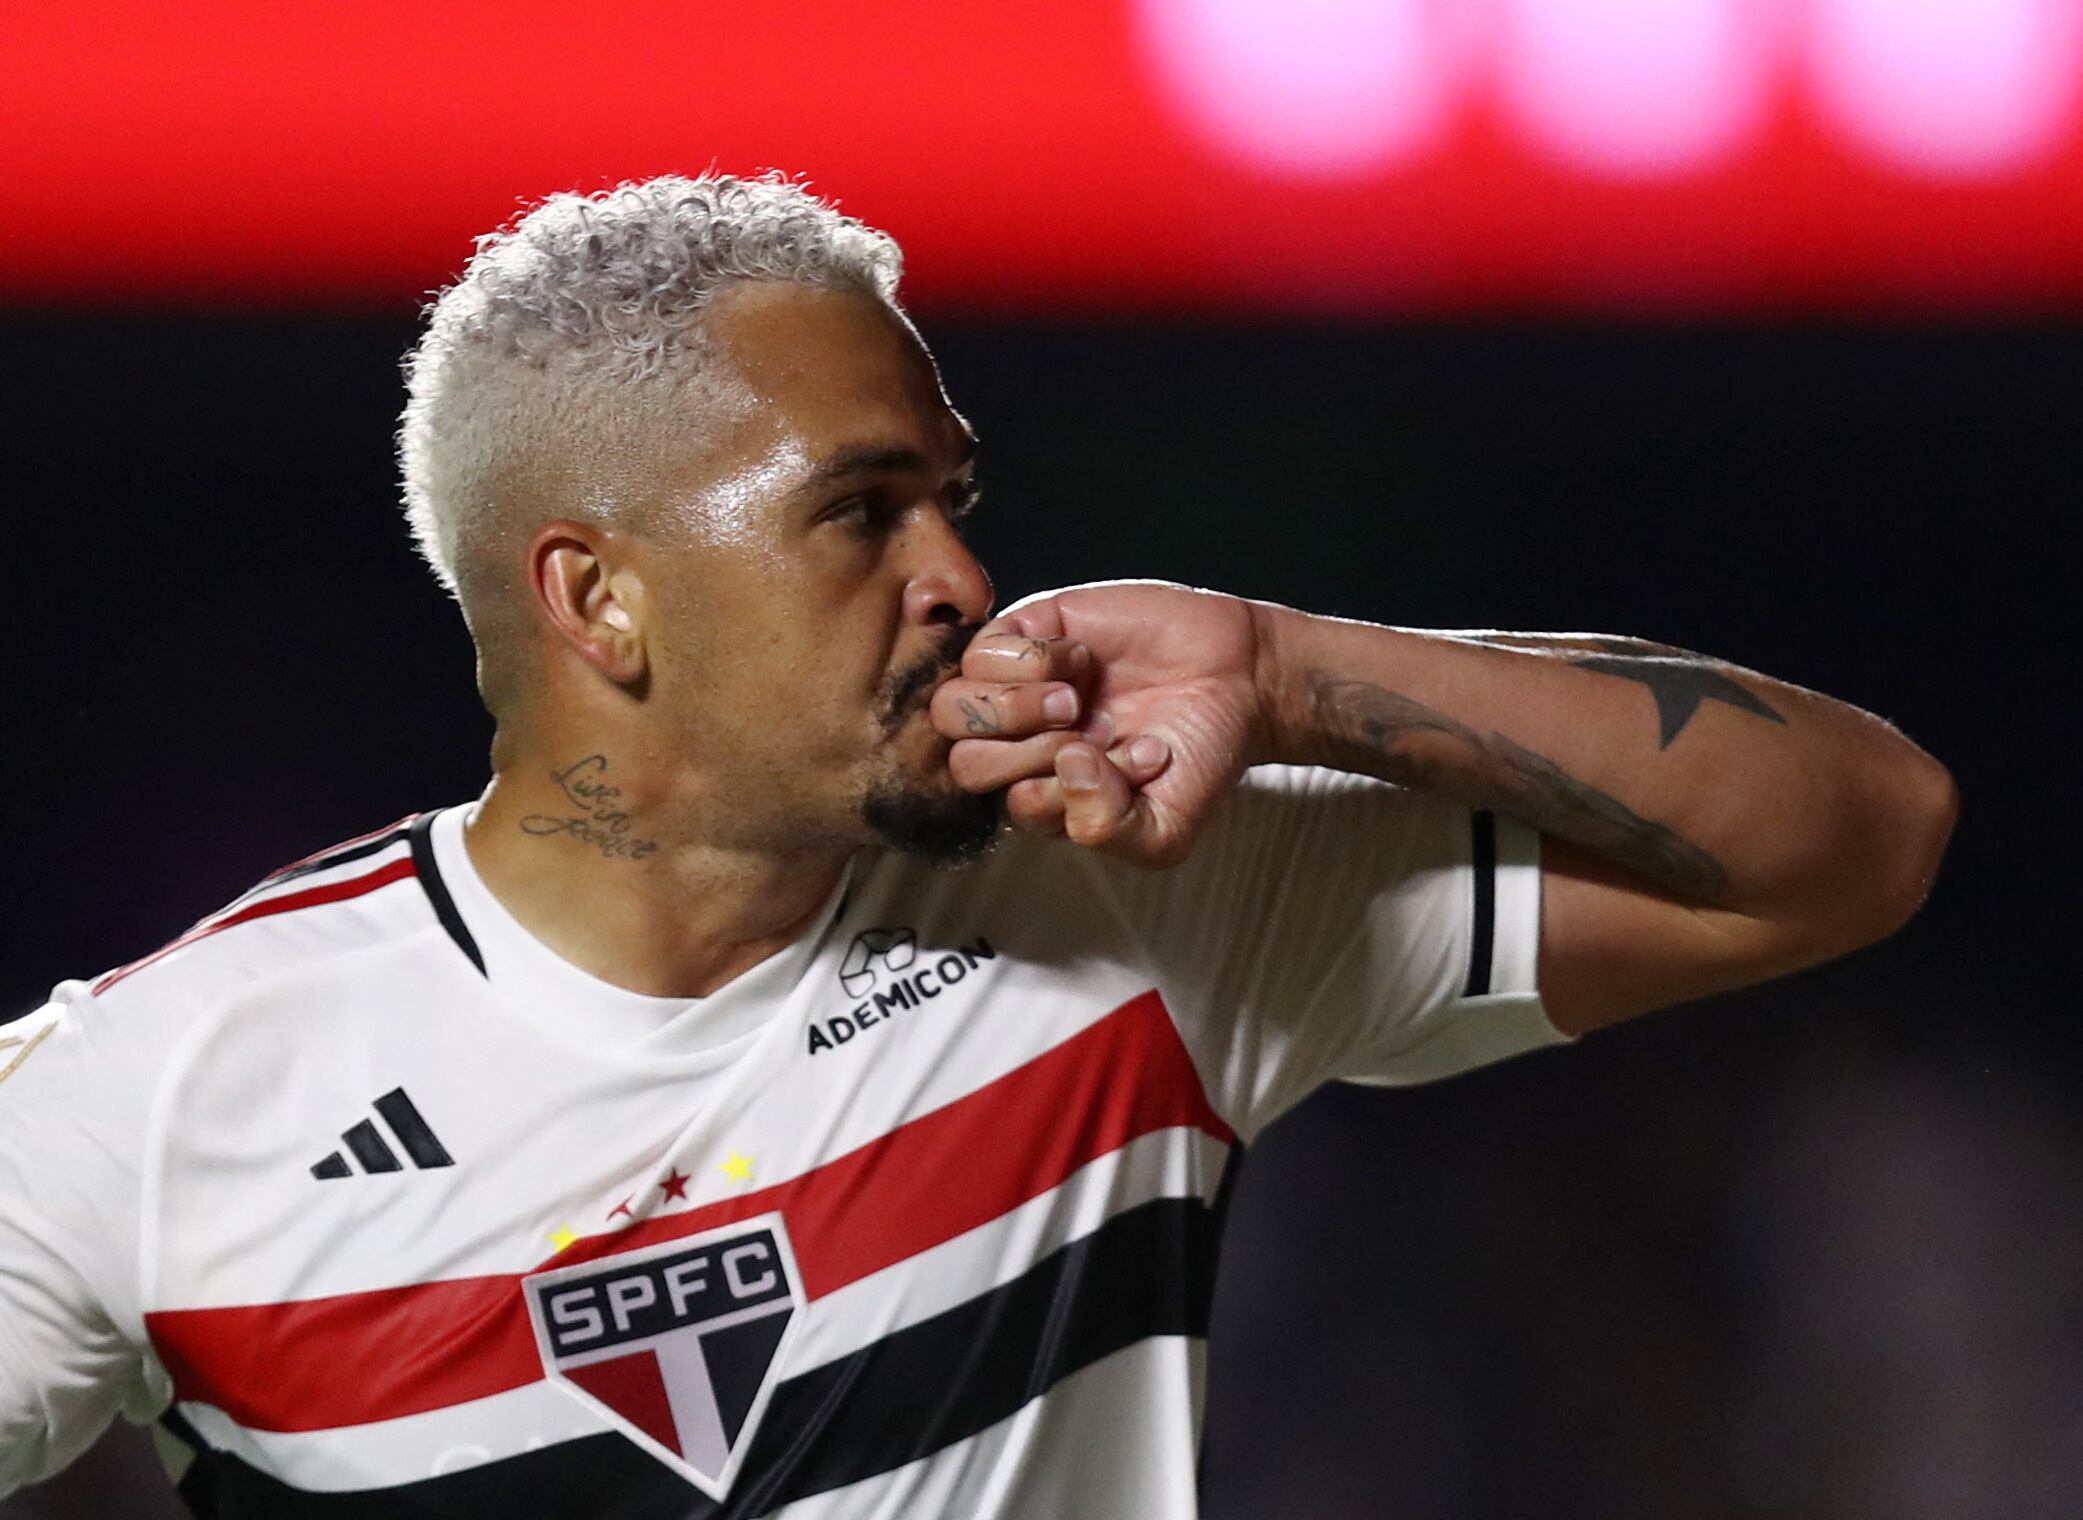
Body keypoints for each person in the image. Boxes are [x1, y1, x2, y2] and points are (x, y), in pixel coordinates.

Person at [0, 174, 1956, 1519]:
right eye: (862, 513)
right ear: (599, 601)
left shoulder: (1136, 896)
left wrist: (1291, 669)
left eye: (956, 502)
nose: (959, 578)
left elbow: (1854, 838)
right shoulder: (162, 1093)